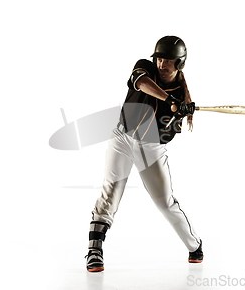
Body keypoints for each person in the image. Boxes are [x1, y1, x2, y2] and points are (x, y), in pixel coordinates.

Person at [85, 36, 203, 272]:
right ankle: (94, 250)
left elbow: (165, 135)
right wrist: (170, 100)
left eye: (169, 60)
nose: (162, 63)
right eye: (159, 57)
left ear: (179, 63)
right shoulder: (145, 68)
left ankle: (195, 246)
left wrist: (177, 112)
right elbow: (141, 83)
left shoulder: (181, 94)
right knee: (110, 192)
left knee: (165, 203)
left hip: (151, 148)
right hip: (122, 138)